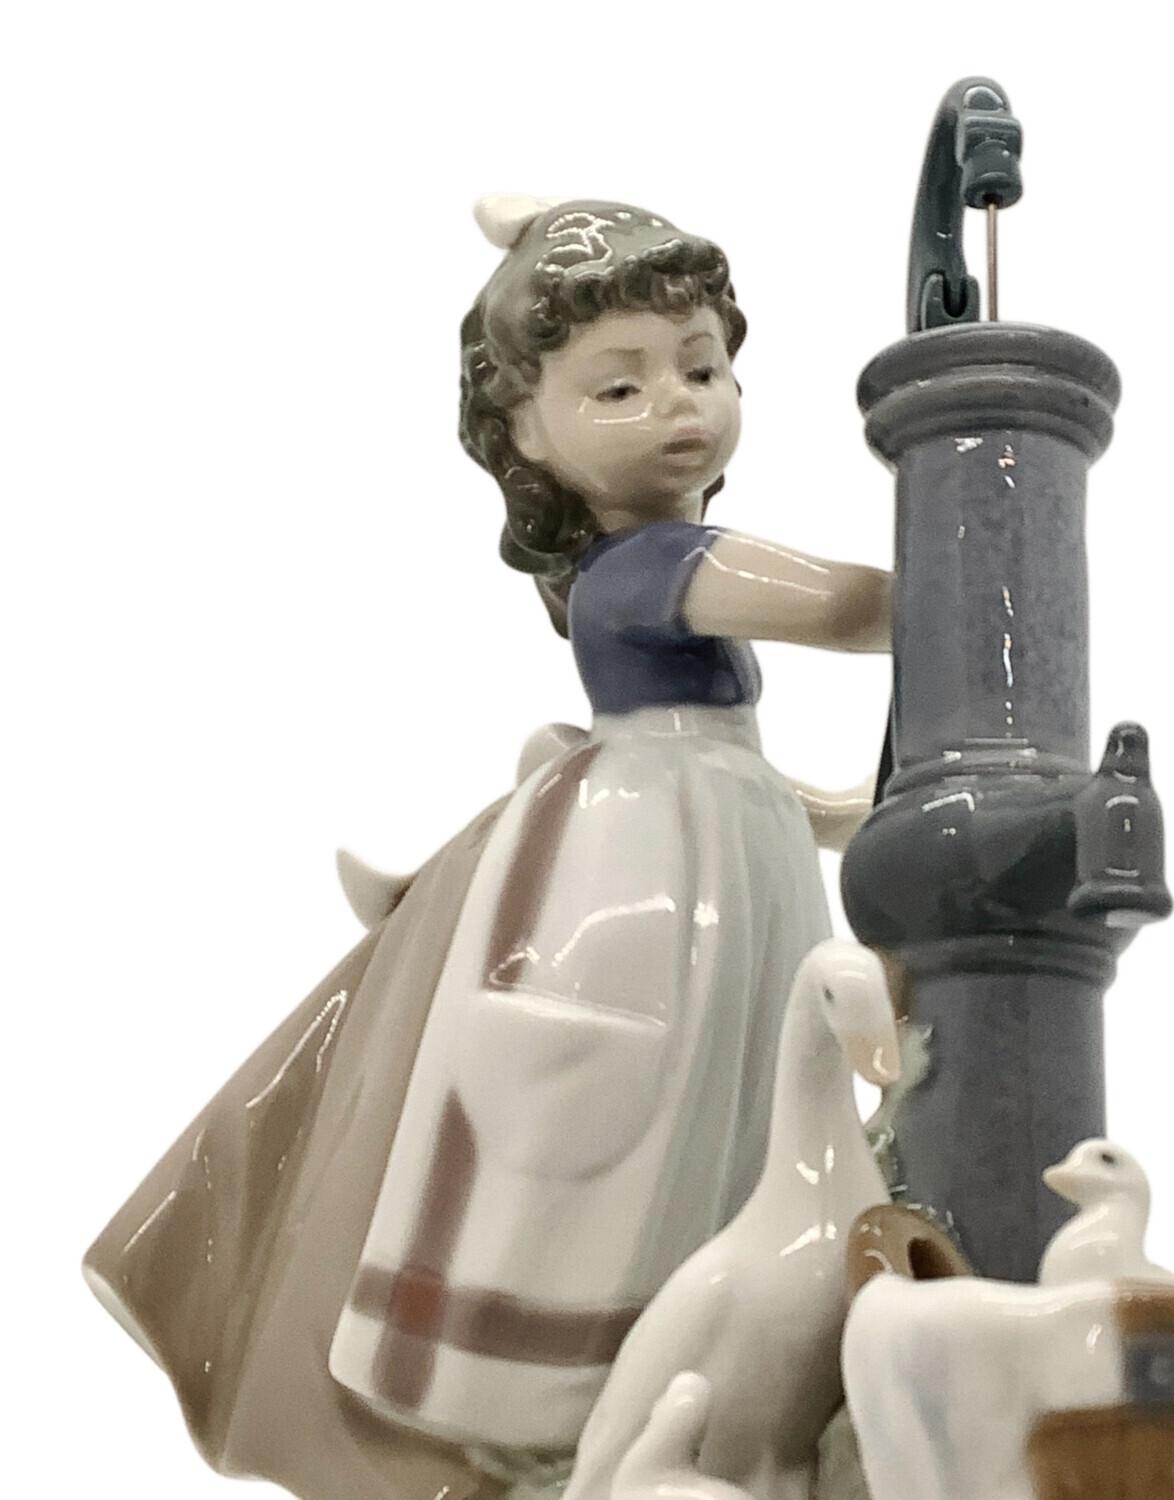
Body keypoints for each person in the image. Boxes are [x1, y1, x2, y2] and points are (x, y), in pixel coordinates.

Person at [84, 197, 890, 1500]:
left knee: (741, 1106)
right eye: (618, 387)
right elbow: (855, 608)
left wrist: (844, 810)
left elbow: (731, 759)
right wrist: (972, 516)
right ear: (526, 431)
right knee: (640, 1125)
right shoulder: (654, 568)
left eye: (700, 367)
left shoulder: (660, 588)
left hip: (717, 846)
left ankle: (723, 1392)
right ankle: (572, 1420)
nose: (678, 405)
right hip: (653, 872)